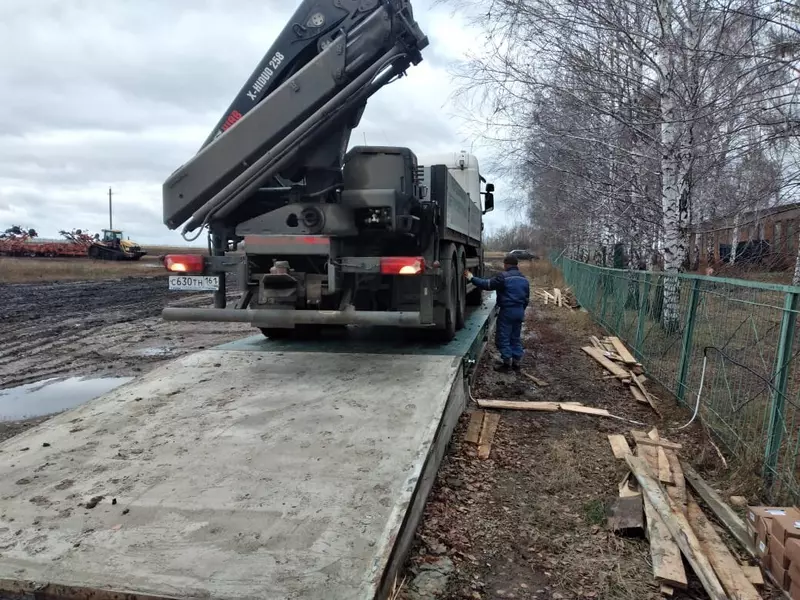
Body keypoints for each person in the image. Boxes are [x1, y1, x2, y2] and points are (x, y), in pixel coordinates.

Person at [465, 254, 530, 372]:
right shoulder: (524, 279)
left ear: (506, 264)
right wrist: (521, 310)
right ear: (516, 265)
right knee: (515, 337)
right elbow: (526, 299)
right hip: (519, 311)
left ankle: (507, 364)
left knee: (503, 337)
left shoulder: (503, 277)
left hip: (507, 311)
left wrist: (471, 278)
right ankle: (516, 362)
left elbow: (487, 285)